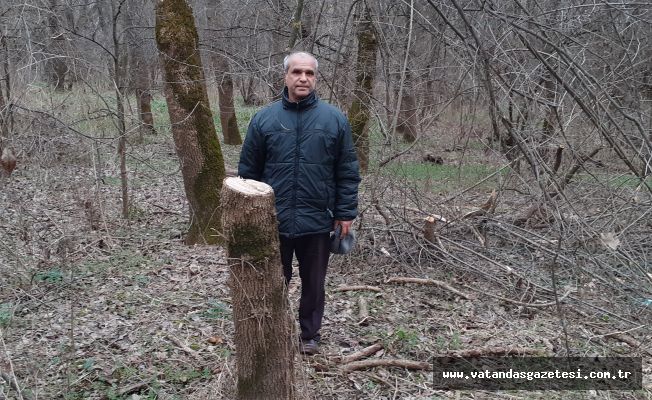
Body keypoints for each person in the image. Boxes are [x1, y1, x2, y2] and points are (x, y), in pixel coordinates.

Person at [238, 51, 361, 355]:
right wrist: (250, 214)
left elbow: (347, 172)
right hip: (272, 219)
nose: (303, 78)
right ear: (286, 76)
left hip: (318, 218)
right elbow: (248, 172)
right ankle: (272, 331)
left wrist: (345, 213)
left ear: (315, 78)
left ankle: (309, 335)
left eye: (309, 73)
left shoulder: (334, 119)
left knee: (314, 283)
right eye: (296, 72)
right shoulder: (264, 119)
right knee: (272, 281)